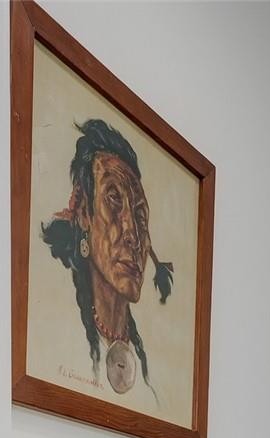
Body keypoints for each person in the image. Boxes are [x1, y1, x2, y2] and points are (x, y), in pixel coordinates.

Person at [41, 119, 173, 400]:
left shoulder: (156, 390)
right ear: (84, 215)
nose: (133, 234)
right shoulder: (53, 335)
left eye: (140, 216)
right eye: (113, 199)